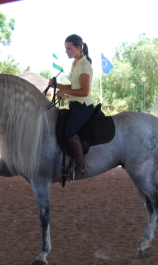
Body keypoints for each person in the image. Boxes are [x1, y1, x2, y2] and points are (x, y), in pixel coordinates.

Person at [48, 34, 94, 179]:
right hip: (75, 105)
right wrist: (58, 85)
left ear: (79, 48)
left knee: (69, 132)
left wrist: (65, 91)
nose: (66, 51)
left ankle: (80, 167)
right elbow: (74, 86)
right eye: (65, 48)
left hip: (83, 106)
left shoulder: (85, 65)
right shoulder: (75, 63)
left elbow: (84, 91)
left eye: (69, 48)